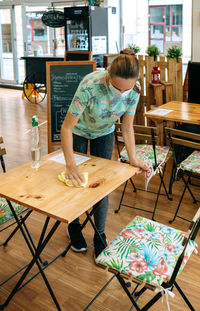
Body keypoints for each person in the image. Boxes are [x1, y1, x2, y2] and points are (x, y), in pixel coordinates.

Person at [61, 48, 148, 259]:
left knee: (102, 184)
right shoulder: (90, 85)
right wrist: (71, 164)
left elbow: (127, 128)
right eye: (117, 88)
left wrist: (133, 159)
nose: (121, 94)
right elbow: (66, 128)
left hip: (104, 132)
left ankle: (99, 234)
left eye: (126, 90)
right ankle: (73, 226)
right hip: (79, 132)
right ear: (108, 74)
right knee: (75, 181)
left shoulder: (133, 90)